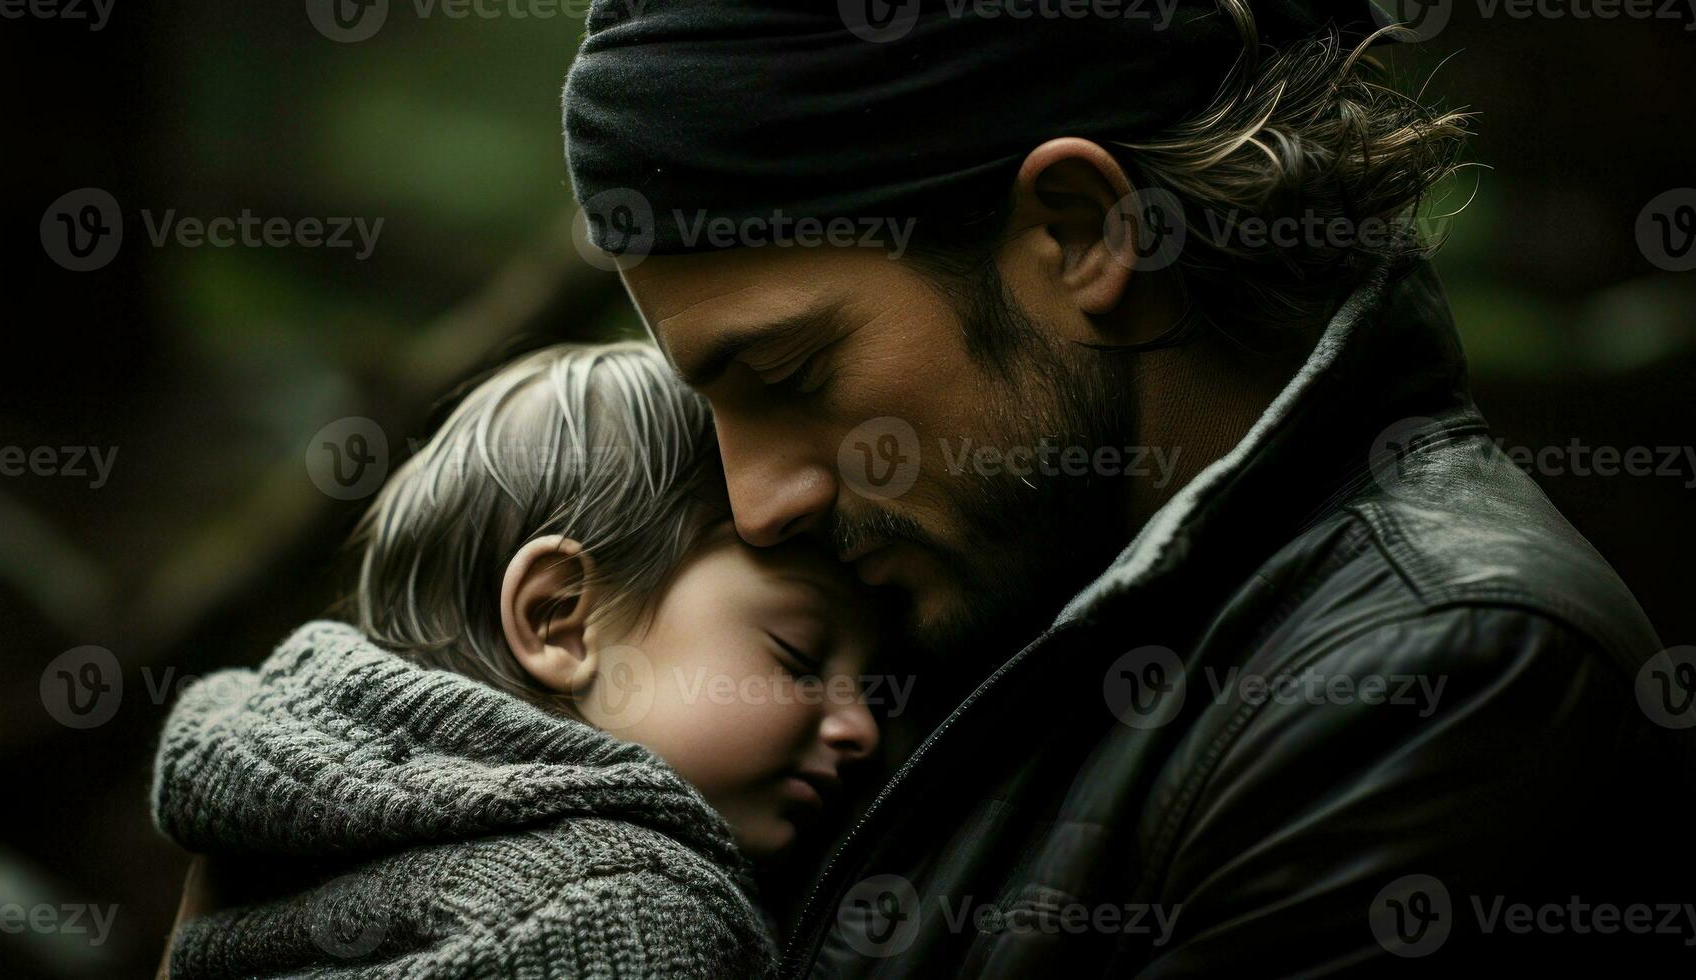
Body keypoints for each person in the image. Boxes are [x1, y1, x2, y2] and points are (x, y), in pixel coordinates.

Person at [561, 0, 1696, 973]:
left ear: (1083, 233)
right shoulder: (978, 596)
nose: (759, 502)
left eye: (790, 374)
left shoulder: (1448, 676)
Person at [151, 342, 886, 978]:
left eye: (873, 688)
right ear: (558, 620)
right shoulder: (629, 915)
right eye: (799, 656)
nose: (863, 730)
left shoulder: (272, 827)